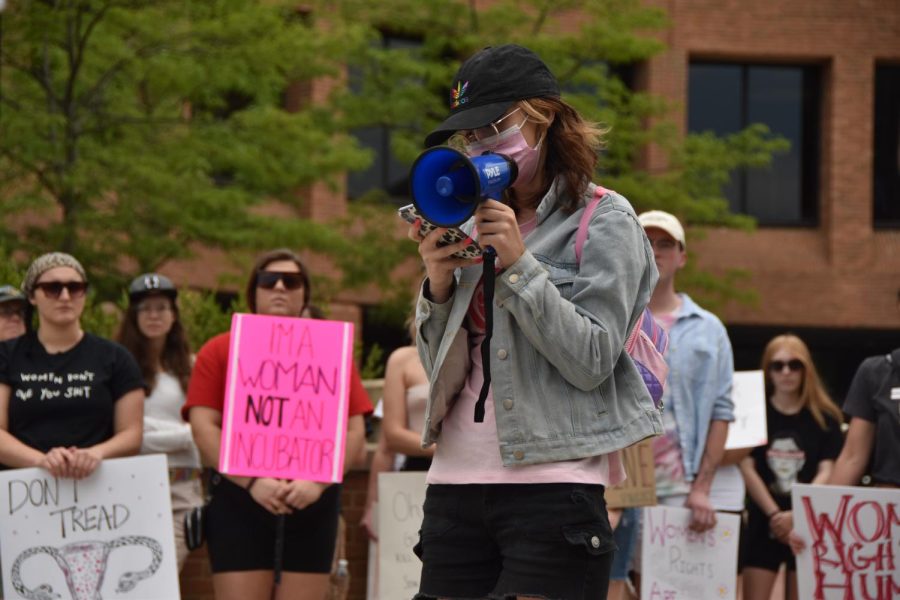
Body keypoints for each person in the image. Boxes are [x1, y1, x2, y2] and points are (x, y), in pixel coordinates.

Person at [408, 44, 661, 600]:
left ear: (542, 116)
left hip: (552, 484)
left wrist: (520, 266)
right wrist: (438, 285)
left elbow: (593, 358)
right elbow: (440, 374)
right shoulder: (469, 221)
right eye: (468, 136)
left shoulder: (603, 218)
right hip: (454, 484)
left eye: (494, 127)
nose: (478, 145)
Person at [183, 248, 373, 600]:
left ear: (305, 294)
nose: (280, 288)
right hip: (238, 498)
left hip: (312, 500)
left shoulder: (333, 350)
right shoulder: (219, 349)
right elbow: (203, 426)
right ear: (253, 292)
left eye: (293, 281)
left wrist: (317, 483)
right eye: (269, 281)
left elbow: (355, 431)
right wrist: (252, 481)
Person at [612, 211, 743, 599]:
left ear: (682, 256)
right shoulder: (611, 317)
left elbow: (723, 411)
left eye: (665, 243)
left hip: (678, 488)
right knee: (613, 586)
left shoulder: (708, 328)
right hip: (618, 481)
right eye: (646, 242)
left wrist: (702, 488)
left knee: (672, 591)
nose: (655, 251)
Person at [0, 252, 144, 476]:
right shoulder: (7, 355)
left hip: (100, 492)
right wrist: (41, 460)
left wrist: (97, 453)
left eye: (75, 287)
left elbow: (132, 433)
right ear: (32, 296)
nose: (65, 296)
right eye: (52, 288)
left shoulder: (116, 357)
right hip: (24, 492)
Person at [739, 334, 843, 600]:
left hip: (808, 522)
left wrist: (797, 513)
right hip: (764, 521)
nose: (786, 372)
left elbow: (827, 471)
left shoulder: (826, 417)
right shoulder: (754, 412)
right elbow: (746, 466)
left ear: (806, 369)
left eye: (794, 365)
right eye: (778, 365)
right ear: (768, 370)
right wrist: (776, 516)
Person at [117, 273, 201, 570]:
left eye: (162, 307)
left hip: (184, 490)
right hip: (133, 488)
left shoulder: (194, 367)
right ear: (133, 316)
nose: (154, 315)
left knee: (164, 576)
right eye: (145, 308)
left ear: (174, 314)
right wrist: (188, 434)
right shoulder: (118, 367)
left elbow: (208, 429)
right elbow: (128, 433)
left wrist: (146, 429)